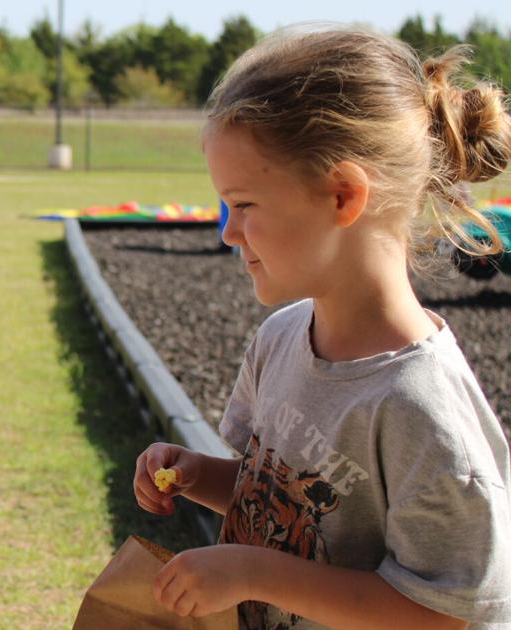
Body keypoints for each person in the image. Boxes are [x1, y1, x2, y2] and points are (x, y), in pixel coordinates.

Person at [133, 26, 511, 629]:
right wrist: (199, 475)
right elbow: (297, 509)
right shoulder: (279, 340)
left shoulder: (422, 409)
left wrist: (252, 573)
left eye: (245, 205)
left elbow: (441, 613)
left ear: (342, 197)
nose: (229, 232)